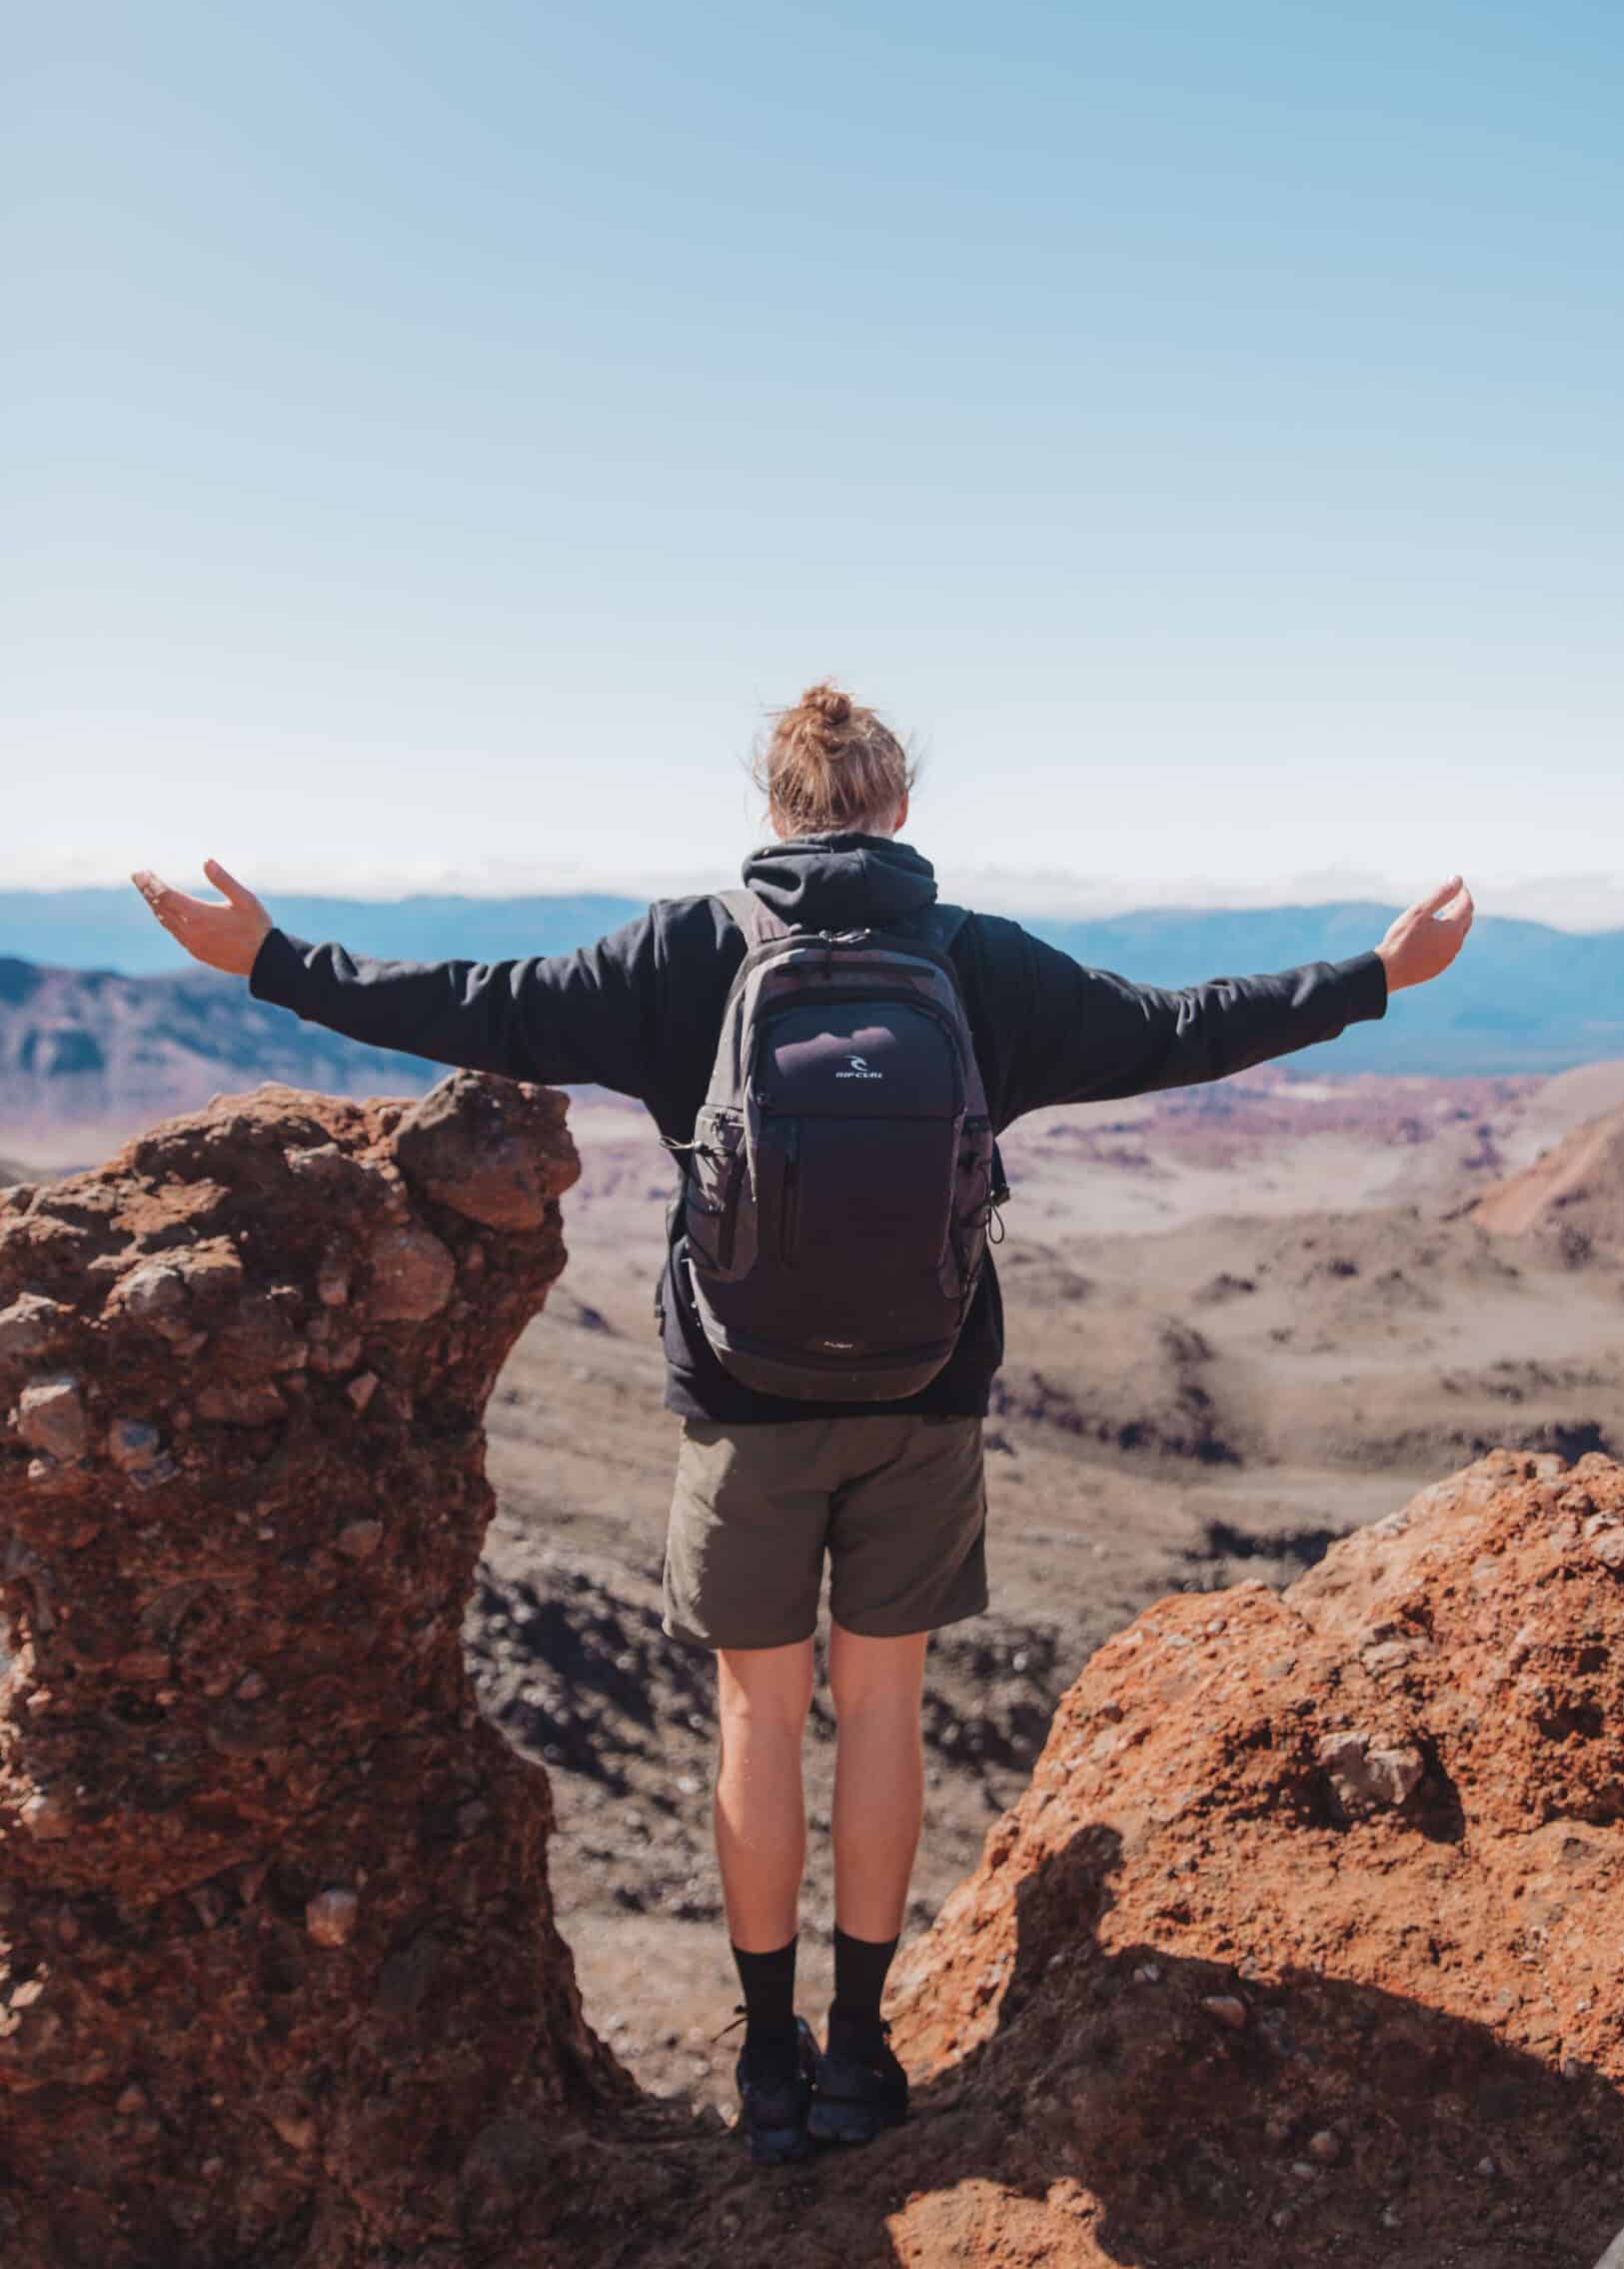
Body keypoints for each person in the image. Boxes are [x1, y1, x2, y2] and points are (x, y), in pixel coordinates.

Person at [131, 681, 1473, 2164]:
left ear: (772, 810)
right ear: (898, 808)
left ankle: (768, 2066)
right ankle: (860, 2052)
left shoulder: (686, 951)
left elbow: (477, 1002)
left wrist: (273, 961)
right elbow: (1180, 1029)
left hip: (743, 1399)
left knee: (757, 1718)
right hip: (922, 1396)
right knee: (881, 1709)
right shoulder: (978, 963)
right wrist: (1375, 974)